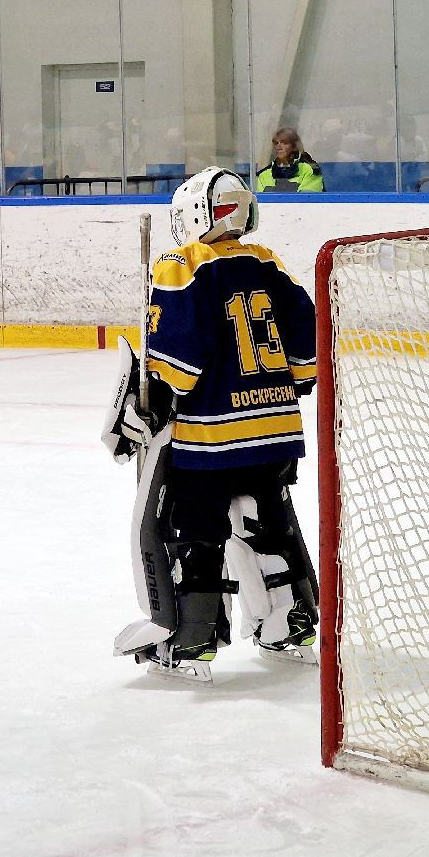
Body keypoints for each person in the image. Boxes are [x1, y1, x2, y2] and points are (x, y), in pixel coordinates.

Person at [102, 167, 319, 686]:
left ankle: (191, 642)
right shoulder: (268, 262)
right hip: (275, 427)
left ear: (192, 212)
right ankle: (292, 625)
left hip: (213, 435)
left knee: (194, 530)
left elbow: (179, 360)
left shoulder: (183, 262)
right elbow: (307, 350)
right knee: (270, 523)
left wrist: (155, 393)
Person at [255, 127, 324, 193]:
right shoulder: (264, 174)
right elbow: (259, 201)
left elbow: (307, 200)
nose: (279, 147)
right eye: (276, 143)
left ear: (294, 147)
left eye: (284, 143)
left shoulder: (309, 170)